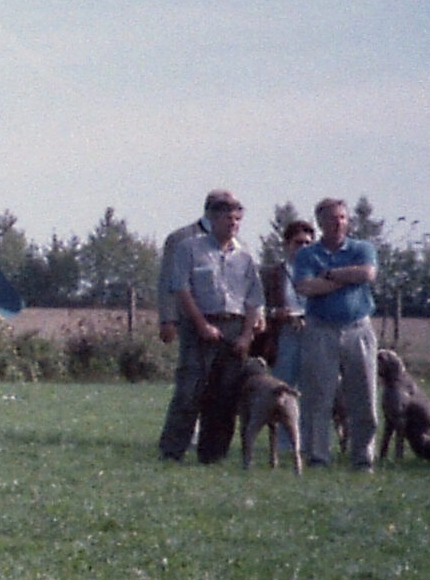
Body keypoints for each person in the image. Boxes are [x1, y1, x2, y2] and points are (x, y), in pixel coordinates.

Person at [157, 189, 263, 463]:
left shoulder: (245, 255)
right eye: (228, 218)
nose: (233, 224)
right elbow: (181, 288)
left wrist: (246, 336)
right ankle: (172, 451)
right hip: (199, 326)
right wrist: (201, 325)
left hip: (234, 327)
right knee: (189, 390)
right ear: (212, 219)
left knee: (225, 395)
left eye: (237, 219)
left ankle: (213, 455)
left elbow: (254, 299)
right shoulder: (189, 248)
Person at [291, 196, 380, 469]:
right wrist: (346, 279)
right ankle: (318, 456)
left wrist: (328, 275)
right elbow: (305, 287)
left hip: (358, 328)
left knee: (364, 394)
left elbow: (367, 273)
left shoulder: (362, 248)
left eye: (342, 217)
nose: (338, 223)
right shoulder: (307, 254)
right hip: (320, 329)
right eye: (332, 218)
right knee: (318, 395)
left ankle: (363, 458)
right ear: (320, 222)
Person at [258, 216, 316, 388]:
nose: (303, 247)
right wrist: (276, 313)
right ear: (286, 244)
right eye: (298, 243)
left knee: (314, 387)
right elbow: (257, 307)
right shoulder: (271, 274)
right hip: (285, 332)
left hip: (315, 332)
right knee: (282, 386)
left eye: (307, 243)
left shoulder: (321, 272)